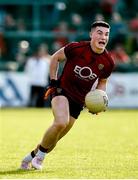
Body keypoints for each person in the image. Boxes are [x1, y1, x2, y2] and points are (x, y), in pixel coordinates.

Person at [20, 21, 115, 170]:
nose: (103, 36)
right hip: (61, 91)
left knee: (54, 140)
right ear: (91, 34)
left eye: (106, 34)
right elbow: (55, 58)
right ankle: (40, 159)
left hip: (79, 101)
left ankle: (30, 157)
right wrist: (53, 81)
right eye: (99, 32)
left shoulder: (108, 62)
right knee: (60, 122)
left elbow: (102, 82)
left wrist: (99, 99)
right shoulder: (76, 48)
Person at [25, 43, 51, 107]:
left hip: (42, 82)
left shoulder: (47, 60)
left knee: (41, 99)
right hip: (33, 81)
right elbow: (27, 70)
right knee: (31, 98)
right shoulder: (31, 60)